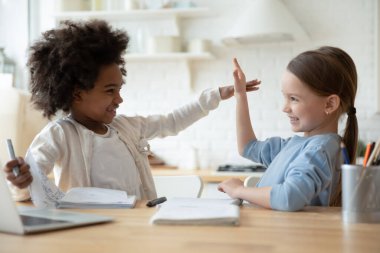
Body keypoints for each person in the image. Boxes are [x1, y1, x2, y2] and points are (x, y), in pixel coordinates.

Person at [3, 19, 259, 201]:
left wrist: (215, 96)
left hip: (137, 226)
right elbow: (30, 185)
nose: (119, 99)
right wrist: (20, 182)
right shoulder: (58, 135)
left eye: (119, 89)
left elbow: (172, 121)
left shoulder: (127, 127)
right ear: (77, 92)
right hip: (91, 235)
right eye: (110, 90)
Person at [218, 46, 358, 211]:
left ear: (329, 104)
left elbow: (289, 197)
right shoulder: (296, 146)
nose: (285, 108)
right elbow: (248, 147)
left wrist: (239, 190)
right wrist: (240, 95)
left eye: (293, 99)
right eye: (285, 97)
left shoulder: (319, 150)